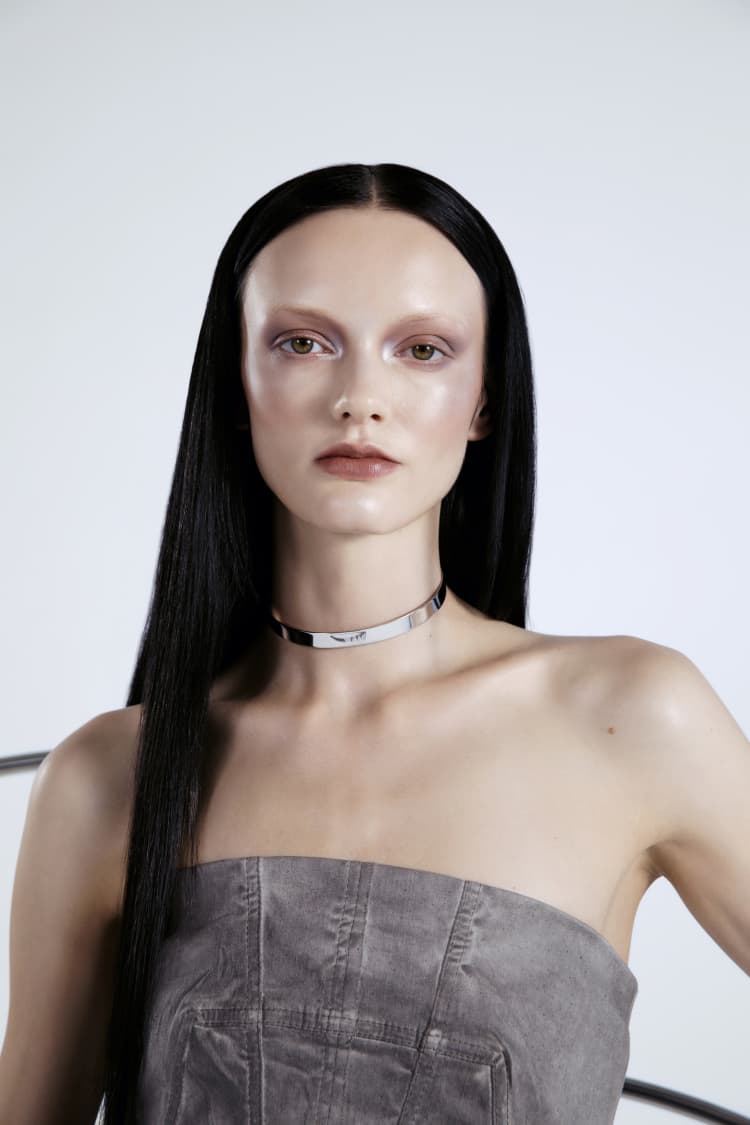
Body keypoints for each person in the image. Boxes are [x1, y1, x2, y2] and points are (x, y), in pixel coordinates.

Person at [1, 163, 748, 1125]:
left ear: (484, 400)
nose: (360, 396)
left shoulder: (631, 718)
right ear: (237, 382)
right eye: (303, 342)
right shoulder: (111, 776)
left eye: (423, 349)